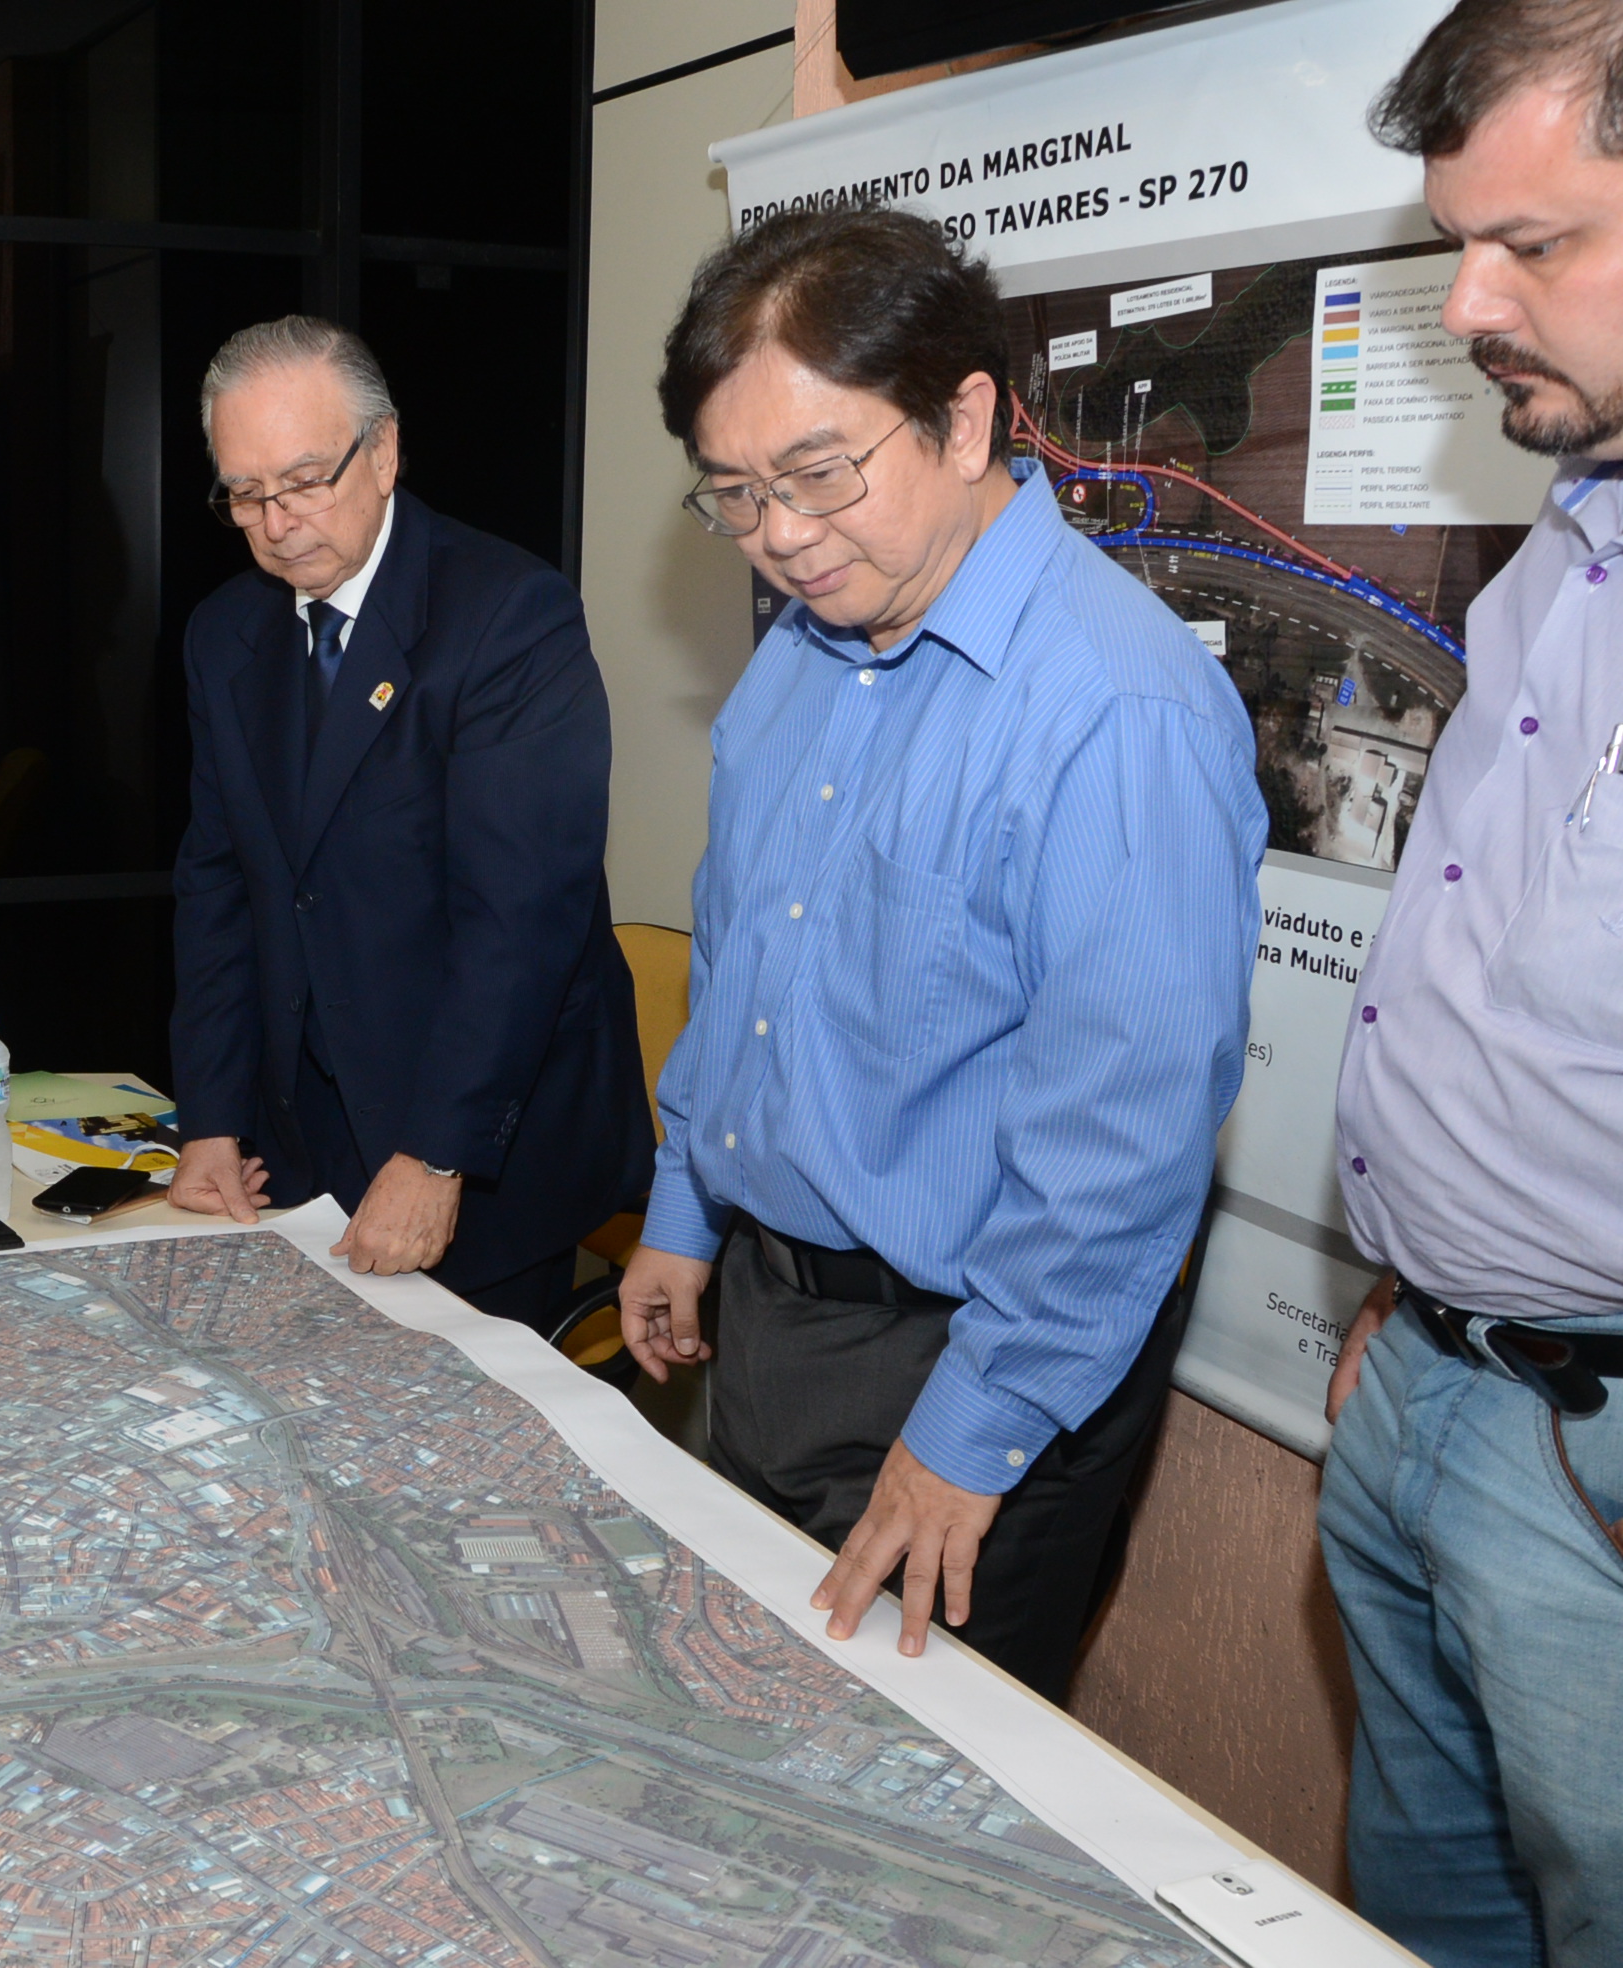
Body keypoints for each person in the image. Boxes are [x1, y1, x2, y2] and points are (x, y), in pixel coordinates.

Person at [619, 207, 1267, 1701]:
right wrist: (684, 1209)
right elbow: (742, 974)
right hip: (773, 1319)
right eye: (735, 494)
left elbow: (1122, 1135)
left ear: (965, 419)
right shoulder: (801, 655)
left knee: (890, 1796)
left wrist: (972, 1433)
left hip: (970, 1370)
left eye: (817, 473)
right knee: (739, 1733)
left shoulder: (1112, 707)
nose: (780, 535)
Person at [1322, 8, 1623, 1960]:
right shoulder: (1557, 549)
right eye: (1453, 245)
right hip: (1424, 1386)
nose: (1465, 305)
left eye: (1530, 242)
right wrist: (1418, 1286)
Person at [166, 316, 652, 1329]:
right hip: (302, 1139)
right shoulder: (225, 634)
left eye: (304, 481)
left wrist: (436, 1155)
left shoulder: (509, 617)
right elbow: (219, 886)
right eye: (245, 494)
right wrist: (211, 1117)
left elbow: (522, 921)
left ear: (383, 452)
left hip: (476, 1141)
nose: (277, 522)